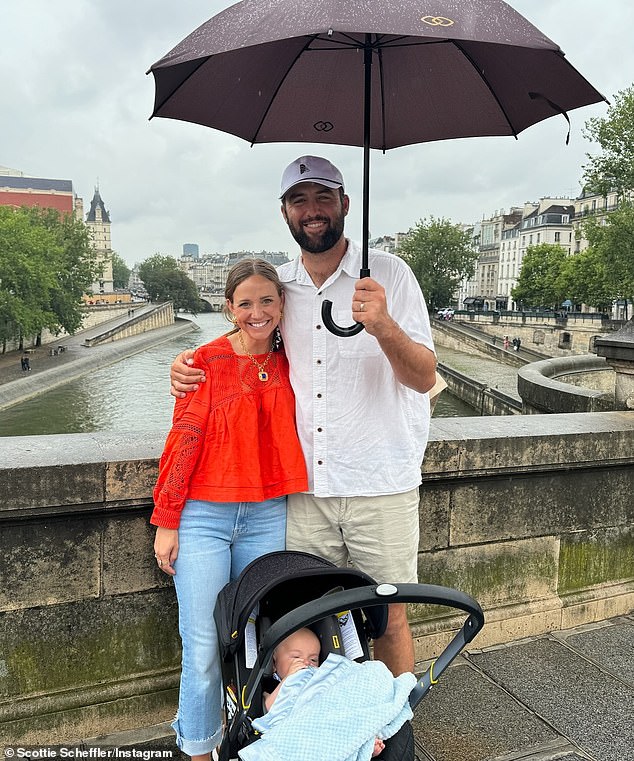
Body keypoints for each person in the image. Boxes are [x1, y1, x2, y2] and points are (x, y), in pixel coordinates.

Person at [170, 155, 437, 677]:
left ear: (345, 205)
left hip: (380, 482)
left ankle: (395, 735)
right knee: (307, 620)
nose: (311, 211)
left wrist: (383, 325)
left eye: (322, 198)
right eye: (299, 201)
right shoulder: (281, 289)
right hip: (304, 491)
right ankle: (326, 729)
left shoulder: (389, 274)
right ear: (285, 213)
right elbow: (242, 346)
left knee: (389, 618)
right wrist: (184, 366)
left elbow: (425, 378)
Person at [152, 258, 308, 761]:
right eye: (246, 303)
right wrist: (167, 521)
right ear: (228, 309)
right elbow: (184, 442)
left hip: (267, 512)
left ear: (283, 305)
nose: (258, 312)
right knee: (202, 647)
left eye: (268, 300)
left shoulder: (297, 359)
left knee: (257, 637)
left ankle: (251, 737)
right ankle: (199, 749)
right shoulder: (205, 362)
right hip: (205, 517)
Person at [263, 628, 385, 758]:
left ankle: (362, 743)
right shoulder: (273, 686)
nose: (305, 662)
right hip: (300, 730)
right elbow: (269, 709)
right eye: (296, 657)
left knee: (346, 716)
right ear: (274, 664)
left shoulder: (321, 679)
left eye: (314, 660)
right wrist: (287, 681)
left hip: (327, 717)